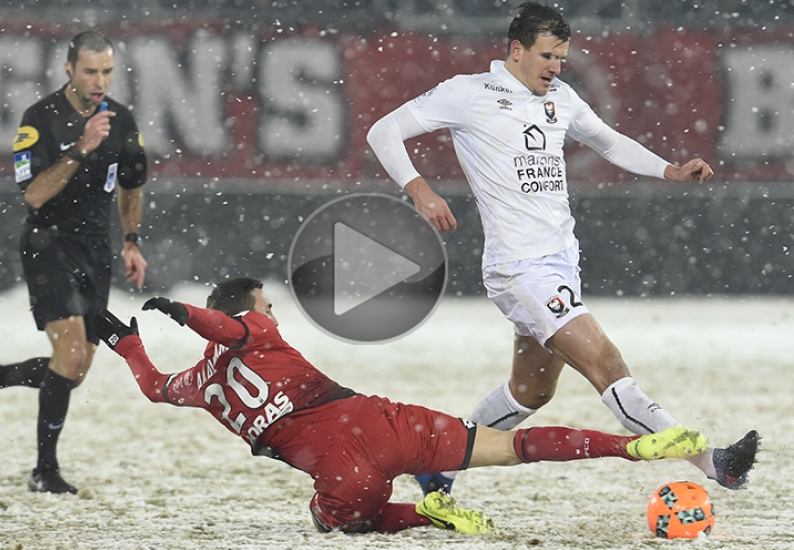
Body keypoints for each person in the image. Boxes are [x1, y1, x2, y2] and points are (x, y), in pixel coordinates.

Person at [365, 1, 759, 496]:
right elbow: (384, 130)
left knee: (530, 393)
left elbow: (610, 143)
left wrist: (671, 170)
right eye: (547, 56)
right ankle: (712, 462)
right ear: (516, 50)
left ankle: (437, 468)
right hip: (521, 269)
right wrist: (420, 189)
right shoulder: (469, 93)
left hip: (559, 264)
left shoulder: (563, 98)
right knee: (608, 365)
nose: (555, 68)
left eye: (562, 59)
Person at [93, 276, 708, 535]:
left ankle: (426, 517)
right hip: (383, 419)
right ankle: (632, 445)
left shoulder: (200, 384)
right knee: (513, 446)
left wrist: (126, 343)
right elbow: (228, 330)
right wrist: (183, 313)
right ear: (247, 311)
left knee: (333, 520)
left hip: (342, 470)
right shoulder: (255, 328)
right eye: (266, 305)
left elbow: (155, 386)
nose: (272, 314)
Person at [0, 30, 148, 494]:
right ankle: (44, 471)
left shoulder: (122, 120)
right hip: (49, 244)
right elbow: (35, 193)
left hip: (95, 249)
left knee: (77, 369)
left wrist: (130, 240)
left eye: (106, 70)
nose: (100, 80)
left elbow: (131, 184)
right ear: (68, 69)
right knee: (71, 353)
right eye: (90, 70)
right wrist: (80, 148)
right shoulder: (39, 118)